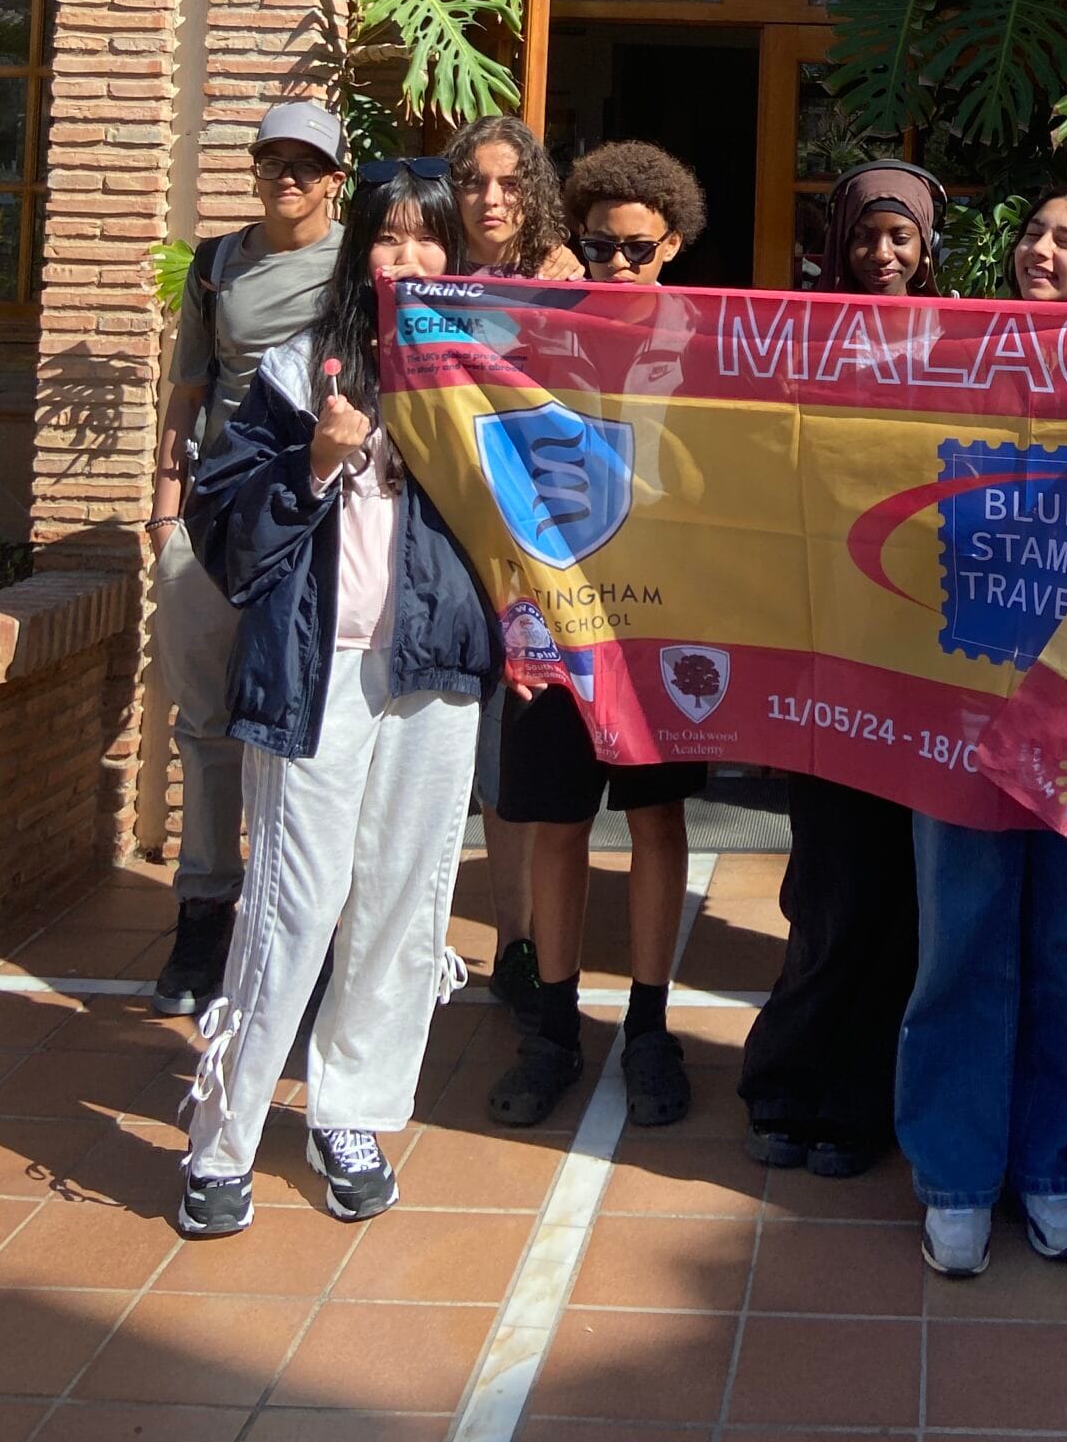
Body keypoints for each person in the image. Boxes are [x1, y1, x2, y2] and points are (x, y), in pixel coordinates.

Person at [175, 157, 496, 1240]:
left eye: (430, 238)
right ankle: (223, 1131)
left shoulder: (484, 374)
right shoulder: (293, 368)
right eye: (390, 237)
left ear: (456, 253)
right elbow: (220, 522)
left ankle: (348, 1111)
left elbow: (537, 518)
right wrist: (315, 460)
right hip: (317, 671)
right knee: (293, 907)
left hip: (432, 673)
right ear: (360, 248)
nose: (410, 259)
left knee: (403, 902)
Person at [898, 184, 1067, 1278]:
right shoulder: (960, 351)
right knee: (963, 936)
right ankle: (954, 1175)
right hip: (960, 698)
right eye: (1033, 232)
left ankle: (1050, 1167)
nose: (1042, 250)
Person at [485, 139, 710, 1133]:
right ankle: (555, 1024)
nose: (617, 267)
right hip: (557, 606)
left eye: (636, 249)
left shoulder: (714, 335)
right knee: (559, 821)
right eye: (598, 247)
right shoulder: (540, 329)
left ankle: (651, 1026)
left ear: (673, 245)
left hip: (666, 613)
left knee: (657, 819)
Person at [736, 161, 941, 1176]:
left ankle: (861, 1107)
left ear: (928, 245)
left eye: (901, 237)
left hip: (923, 663)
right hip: (823, 650)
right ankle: (785, 1087)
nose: (884, 255)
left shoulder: (969, 345)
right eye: (867, 236)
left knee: (899, 893)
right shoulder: (796, 341)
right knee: (824, 889)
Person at [145, 100, 347, 1017]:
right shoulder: (217, 264)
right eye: (274, 161)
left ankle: (305, 936)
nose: (289, 179)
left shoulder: (360, 263)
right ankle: (202, 915)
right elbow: (186, 390)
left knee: (308, 733)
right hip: (217, 521)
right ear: (255, 168)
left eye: (308, 164)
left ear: (336, 179)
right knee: (206, 726)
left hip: (315, 521)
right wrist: (163, 518)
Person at [447, 113, 582, 1030]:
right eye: (473, 183)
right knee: (492, 750)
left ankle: (538, 936)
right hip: (453, 536)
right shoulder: (431, 281)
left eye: (508, 182)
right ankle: (512, 942)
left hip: (547, 542)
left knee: (532, 736)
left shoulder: (567, 281)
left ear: (532, 190)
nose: (491, 200)